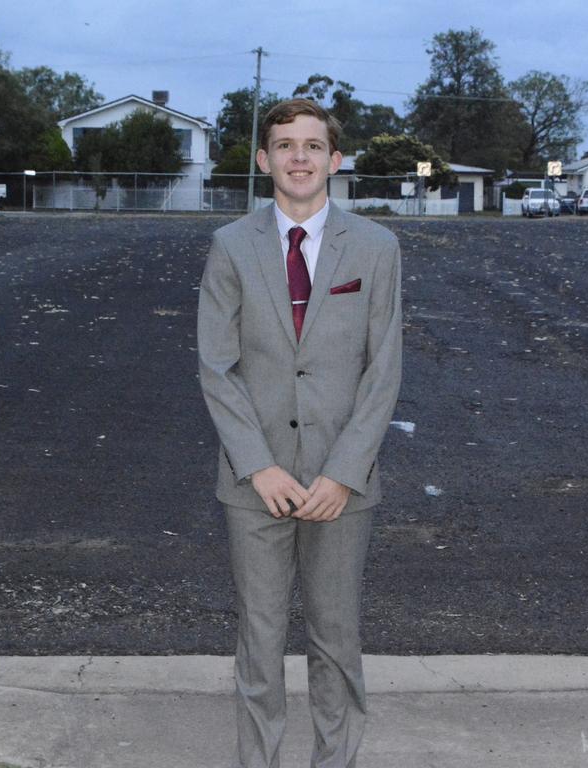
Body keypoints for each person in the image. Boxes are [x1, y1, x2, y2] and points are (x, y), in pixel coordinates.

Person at [197, 98, 402, 768]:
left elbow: (383, 372)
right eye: (285, 145)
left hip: (340, 484)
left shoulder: (375, 248)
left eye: (313, 145)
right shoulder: (231, 246)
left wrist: (343, 473)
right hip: (256, 482)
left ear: (335, 160)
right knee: (258, 644)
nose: (299, 157)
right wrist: (259, 467)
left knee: (335, 642)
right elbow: (217, 367)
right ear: (264, 160)